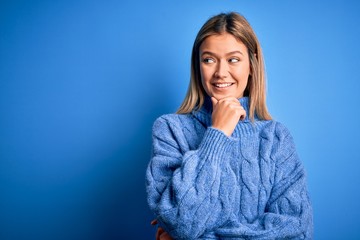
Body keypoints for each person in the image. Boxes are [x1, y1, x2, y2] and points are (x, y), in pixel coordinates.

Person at [146, 12, 313, 240]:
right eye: (209, 59)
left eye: (233, 59)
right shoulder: (170, 130)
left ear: (251, 65)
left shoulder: (276, 138)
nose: (220, 72)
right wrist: (218, 133)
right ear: (198, 66)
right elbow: (182, 222)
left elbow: (297, 231)